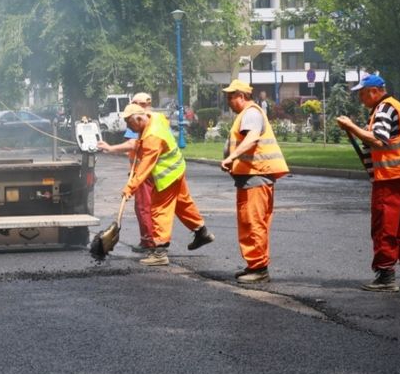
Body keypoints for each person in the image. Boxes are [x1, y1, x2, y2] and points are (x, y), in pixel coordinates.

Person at [336, 74, 400, 292]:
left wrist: (351, 127)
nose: (361, 98)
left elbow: (379, 140)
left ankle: (385, 275)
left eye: (362, 93)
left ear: (374, 91)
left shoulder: (384, 108)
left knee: (384, 227)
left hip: (391, 176)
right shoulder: (393, 106)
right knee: (398, 226)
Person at [99, 92, 214, 256]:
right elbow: (139, 141)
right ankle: (201, 232)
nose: (129, 128)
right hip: (178, 168)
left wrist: (129, 187)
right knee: (183, 204)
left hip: (167, 175)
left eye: (130, 124)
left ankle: (159, 250)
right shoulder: (156, 118)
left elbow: (145, 166)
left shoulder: (152, 137)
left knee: (159, 209)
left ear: (139, 118)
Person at [220, 79, 289, 283]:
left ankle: (259, 268)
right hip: (250, 177)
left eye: (231, 97)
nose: (228, 101)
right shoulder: (246, 114)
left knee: (254, 222)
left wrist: (231, 158)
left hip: (256, 176)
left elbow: (251, 139)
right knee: (249, 222)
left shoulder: (251, 113)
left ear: (241, 96)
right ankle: (254, 265)